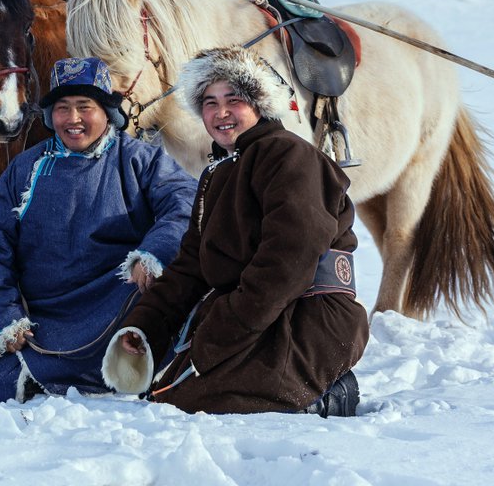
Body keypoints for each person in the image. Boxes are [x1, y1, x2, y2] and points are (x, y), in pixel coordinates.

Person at [102, 46, 369, 416]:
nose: (221, 112)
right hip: (254, 312)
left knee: (202, 402)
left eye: (234, 99)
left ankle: (324, 392)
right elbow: (191, 267)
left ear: (260, 104)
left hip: (308, 315)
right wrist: (146, 327)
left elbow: (289, 258)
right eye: (209, 102)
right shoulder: (218, 172)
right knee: (169, 395)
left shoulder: (289, 156)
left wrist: (224, 330)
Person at [0, 56, 197, 402]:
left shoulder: (139, 159)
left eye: (84, 107)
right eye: (63, 108)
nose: (73, 119)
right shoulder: (25, 168)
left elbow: (183, 202)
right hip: (43, 319)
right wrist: (4, 318)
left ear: (107, 112)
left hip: (119, 302)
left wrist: (152, 253)